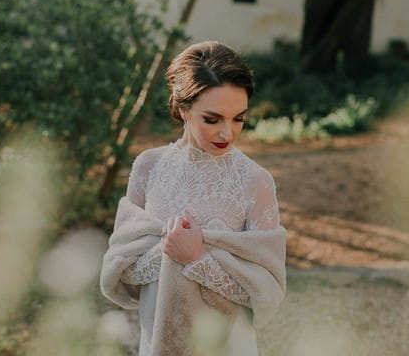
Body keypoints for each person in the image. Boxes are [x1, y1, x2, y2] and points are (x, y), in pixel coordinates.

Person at [100, 41, 286, 356]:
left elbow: (265, 294)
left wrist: (196, 259)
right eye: (212, 120)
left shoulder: (257, 182)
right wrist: (168, 251)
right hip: (157, 335)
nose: (227, 133)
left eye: (238, 118)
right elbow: (123, 269)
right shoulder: (149, 167)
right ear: (183, 109)